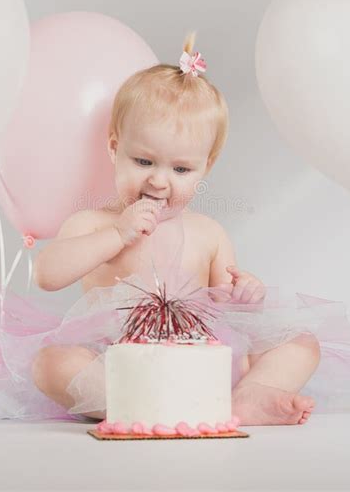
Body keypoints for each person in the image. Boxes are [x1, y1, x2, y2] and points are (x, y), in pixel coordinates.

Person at [31, 32, 320, 426]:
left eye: (181, 169)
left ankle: (247, 398)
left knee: (302, 344)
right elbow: (47, 274)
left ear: (206, 167)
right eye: (144, 161)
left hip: (199, 365)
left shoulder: (209, 233)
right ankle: (134, 405)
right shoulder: (93, 223)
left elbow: (231, 314)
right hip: (119, 365)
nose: (159, 182)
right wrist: (117, 234)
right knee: (50, 363)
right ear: (115, 148)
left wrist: (245, 296)